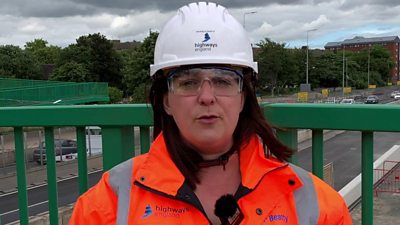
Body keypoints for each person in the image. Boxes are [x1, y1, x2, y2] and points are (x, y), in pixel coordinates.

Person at [69, 2, 353, 225]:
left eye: (223, 80)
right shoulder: (107, 204)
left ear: (243, 98)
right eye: (188, 82)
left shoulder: (314, 204)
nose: (207, 97)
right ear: (165, 101)